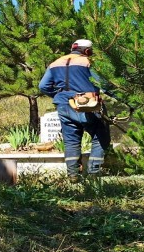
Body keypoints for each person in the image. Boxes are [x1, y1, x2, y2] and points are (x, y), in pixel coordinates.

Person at [39, 39, 111, 181]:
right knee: (101, 135)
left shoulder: (55, 63)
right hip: (89, 105)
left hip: (64, 106)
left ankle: (73, 175)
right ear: (87, 51)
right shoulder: (88, 62)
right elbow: (104, 84)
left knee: (71, 140)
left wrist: (60, 96)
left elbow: (43, 86)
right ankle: (94, 173)